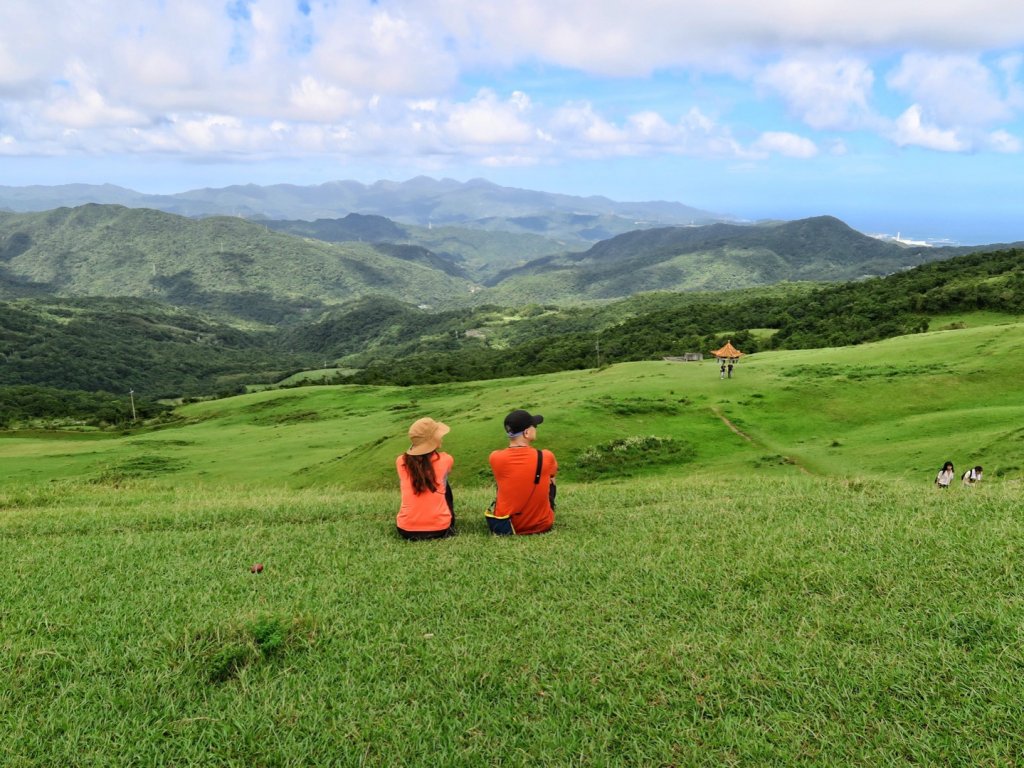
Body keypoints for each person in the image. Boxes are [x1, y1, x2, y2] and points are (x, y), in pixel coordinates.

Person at [487, 409, 558, 535]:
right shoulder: (546, 456)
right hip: (541, 525)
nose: (536, 429)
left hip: (505, 525)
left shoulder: (495, 457)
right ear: (526, 432)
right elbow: (552, 477)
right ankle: (542, 513)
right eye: (534, 426)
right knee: (550, 479)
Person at [395, 417, 455, 540]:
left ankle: (416, 519)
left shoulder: (400, 461)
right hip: (440, 529)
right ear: (433, 440)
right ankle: (440, 517)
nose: (442, 437)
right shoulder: (446, 459)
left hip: (406, 530)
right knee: (443, 483)